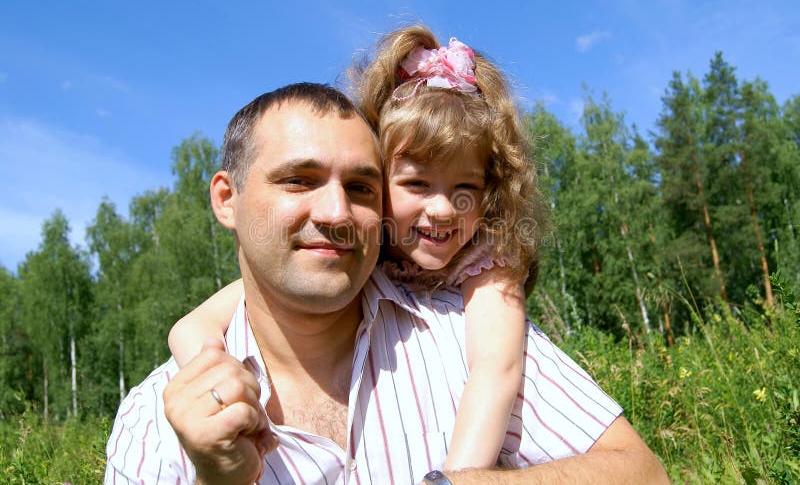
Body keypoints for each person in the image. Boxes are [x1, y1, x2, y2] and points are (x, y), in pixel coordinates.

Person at [106, 81, 668, 483]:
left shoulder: (465, 332)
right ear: (227, 199)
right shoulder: (155, 418)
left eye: (359, 187)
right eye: (299, 180)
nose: (335, 212)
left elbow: (642, 472)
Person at [169, 26, 542, 472]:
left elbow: (494, 372)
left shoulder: (487, 267)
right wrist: (209, 374)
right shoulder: (363, 241)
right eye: (417, 184)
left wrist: (452, 480)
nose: (443, 209)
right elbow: (201, 320)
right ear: (382, 186)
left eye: (467, 187)